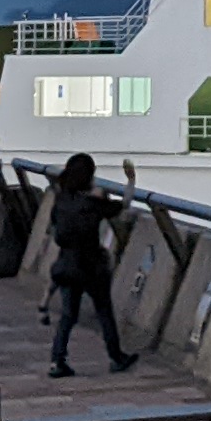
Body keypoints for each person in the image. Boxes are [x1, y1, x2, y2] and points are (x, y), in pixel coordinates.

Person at [42, 153, 135, 377]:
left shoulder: (61, 200)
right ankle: (116, 357)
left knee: (68, 315)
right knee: (104, 311)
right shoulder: (92, 202)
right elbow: (123, 206)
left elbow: (55, 226)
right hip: (91, 264)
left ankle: (57, 361)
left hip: (66, 262)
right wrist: (130, 180)